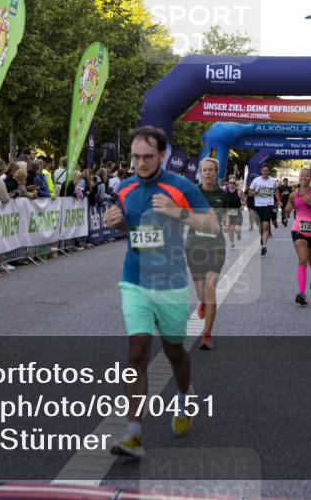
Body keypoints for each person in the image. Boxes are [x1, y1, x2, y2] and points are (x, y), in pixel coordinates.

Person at [104, 126, 218, 458]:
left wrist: (176, 212)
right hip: (134, 278)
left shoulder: (181, 186)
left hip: (170, 282)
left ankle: (184, 398)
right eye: (136, 156)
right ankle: (133, 434)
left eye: (148, 157)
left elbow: (212, 224)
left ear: (162, 155)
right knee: (137, 352)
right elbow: (130, 229)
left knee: (174, 353)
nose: (140, 162)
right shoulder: (124, 189)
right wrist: (118, 224)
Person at [185, 158, 230, 351]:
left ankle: (207, 334)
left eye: (211, 170)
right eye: (205, 170)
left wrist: (227, 222)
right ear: (201, 173)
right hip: (194, 246)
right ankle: (202, 302)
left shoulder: (222, 195)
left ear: (216, 173)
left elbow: (227, 214)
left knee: (211, 287)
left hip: (215, 247)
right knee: (201, 292)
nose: (208, 173)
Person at [284, 167, 311, 305]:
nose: (304, 178)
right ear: (299, 178)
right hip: (298, 230)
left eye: (307, 176)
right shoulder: (293, 195)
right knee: (303, 260)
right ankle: (302, 293)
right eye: (302, 176)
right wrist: (287, 209)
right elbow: (287, 209)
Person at [249, 163, 278, 256]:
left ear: (269, 171)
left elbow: (276, 190)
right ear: (261, 171)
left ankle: (264, 246)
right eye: (263, 170)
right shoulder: (256, 180)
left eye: (266, 170)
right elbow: (249, 192)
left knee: (266, 226)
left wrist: (279, 200)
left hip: (268, 205)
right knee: (261, 227)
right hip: (258, 205)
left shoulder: (273, 181)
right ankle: (262, 238)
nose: (265, 172)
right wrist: (254, 193)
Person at [223, 176, 243, 248]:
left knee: (236, 229)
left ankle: (238, 232)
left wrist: (242, 205)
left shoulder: (239, 192)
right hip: (228, 214)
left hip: (237, 213)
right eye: (230, 183)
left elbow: (244, 200)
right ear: (228, 184)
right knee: (228, 229)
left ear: (235, 184)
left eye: (233, 183)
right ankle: (232, 242)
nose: (231, 184)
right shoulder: (225, 193)